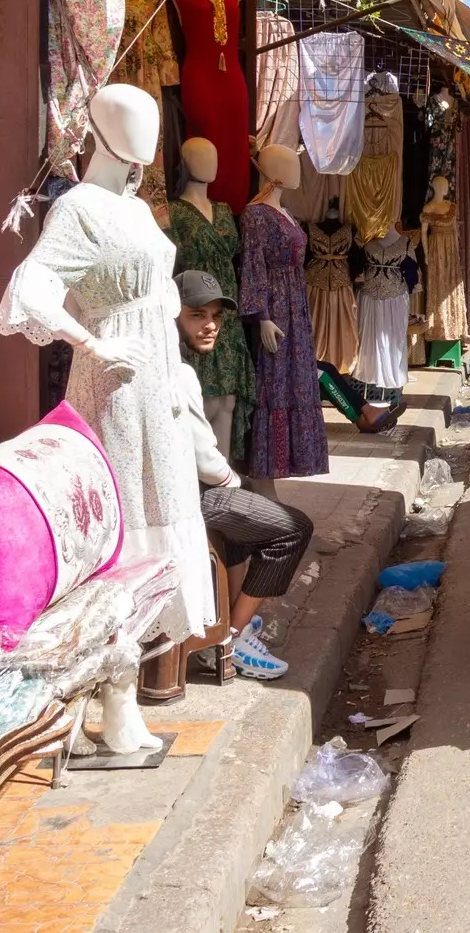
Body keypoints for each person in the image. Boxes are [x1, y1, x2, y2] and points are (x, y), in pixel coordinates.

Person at [175, 270, 315, 681]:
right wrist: (231, 481)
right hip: (188, 496)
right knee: (293, 529)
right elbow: (205, 458)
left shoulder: (177, 362)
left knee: (243, 515)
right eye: (197, 315)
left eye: (216, 316)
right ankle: (231, 638)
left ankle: (234, 623)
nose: (210, 325)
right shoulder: (177, 372)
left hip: (187, 491)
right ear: (172, 315)